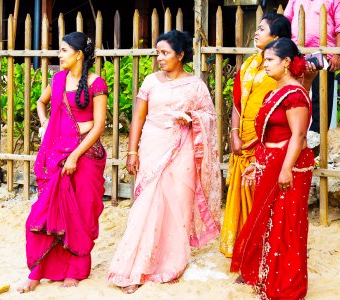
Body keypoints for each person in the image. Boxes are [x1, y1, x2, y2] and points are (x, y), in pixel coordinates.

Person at [107, 30, 221, 294]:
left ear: (180, 55)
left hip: (182, 152)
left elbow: (210, 118)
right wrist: (132, 151)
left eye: (165, 53)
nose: (160, 58)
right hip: (153, 147)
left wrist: (192, 118)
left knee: (177, 205)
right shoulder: (150, 82)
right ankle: (135, 267)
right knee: (146, 205)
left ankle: (172, 263)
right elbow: (138, 118)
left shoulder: (195, 85)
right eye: (158, 53)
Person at [17, 32, 108, 293]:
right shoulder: (57, 80)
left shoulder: (96, 83)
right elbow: (40, 102)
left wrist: (75, 156)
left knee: (79, 215)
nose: (60, 55)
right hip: (57, 156)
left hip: (86, 156)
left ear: (79, 54)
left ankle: (75, 271)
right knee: (45, 213)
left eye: (64, 50)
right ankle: (38, 272)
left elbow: (99, 125)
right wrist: (46, 123)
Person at [230, 37, 314, 299]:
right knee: (266, 219)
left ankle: (286, 285)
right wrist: (258, 162)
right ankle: (265, 276)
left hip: (288, 166)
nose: (264, 64)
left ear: (287, 62)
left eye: (270, 60)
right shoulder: (273, 92)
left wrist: (286, 168)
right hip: (270, 163)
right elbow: (268, 134)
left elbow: (298, 136)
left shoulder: (295, 96)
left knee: (286, 223)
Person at [219, 13, 292, 258]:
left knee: (262, 196)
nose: (256, 32)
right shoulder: (248, 65)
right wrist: (234, 133)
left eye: (262, 29)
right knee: (241, 192)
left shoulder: (284, 69)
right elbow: (238, 103)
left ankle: (261, 251)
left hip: (267, 140)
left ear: (277, 37)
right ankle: (242, 249)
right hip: (243, 136)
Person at [284, 0, 340, 133]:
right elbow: (286, 21)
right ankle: (293, 133)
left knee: (321, 97)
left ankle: (317, 137)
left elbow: (339, 27)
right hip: (297, 52)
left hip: (324, 54)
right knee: (293, 93)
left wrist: (337, 54)